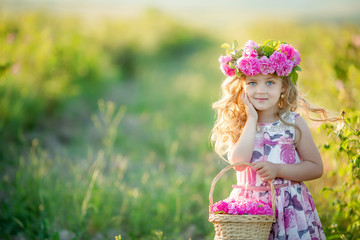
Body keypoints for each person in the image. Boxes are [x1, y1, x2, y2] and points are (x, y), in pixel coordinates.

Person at [211, 40, 337, 239]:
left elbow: (315, 167)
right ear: (242, 88)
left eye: (270, 82)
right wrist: (252, 119)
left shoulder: (292, 122)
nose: (261, 90)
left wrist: (278, 170)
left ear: (283, 87)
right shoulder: (242, 122)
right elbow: (238, 163)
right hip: (251, 210)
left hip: (289, 208)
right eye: (252, 83)